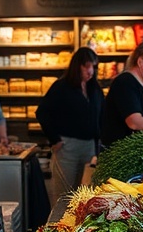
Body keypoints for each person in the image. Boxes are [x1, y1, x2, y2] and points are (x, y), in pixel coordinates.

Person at [37, 47, 104, 198]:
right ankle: (60, 221)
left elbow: (102, 115)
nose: (90, 71)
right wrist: (54, 139)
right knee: (64, 193)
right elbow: (42, 112)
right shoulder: (62, 86)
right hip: (68, 147)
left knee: (86, 195)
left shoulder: (95, 89)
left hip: (90, 148)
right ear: (77, 65)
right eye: (86, 66)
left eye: (93, 67)